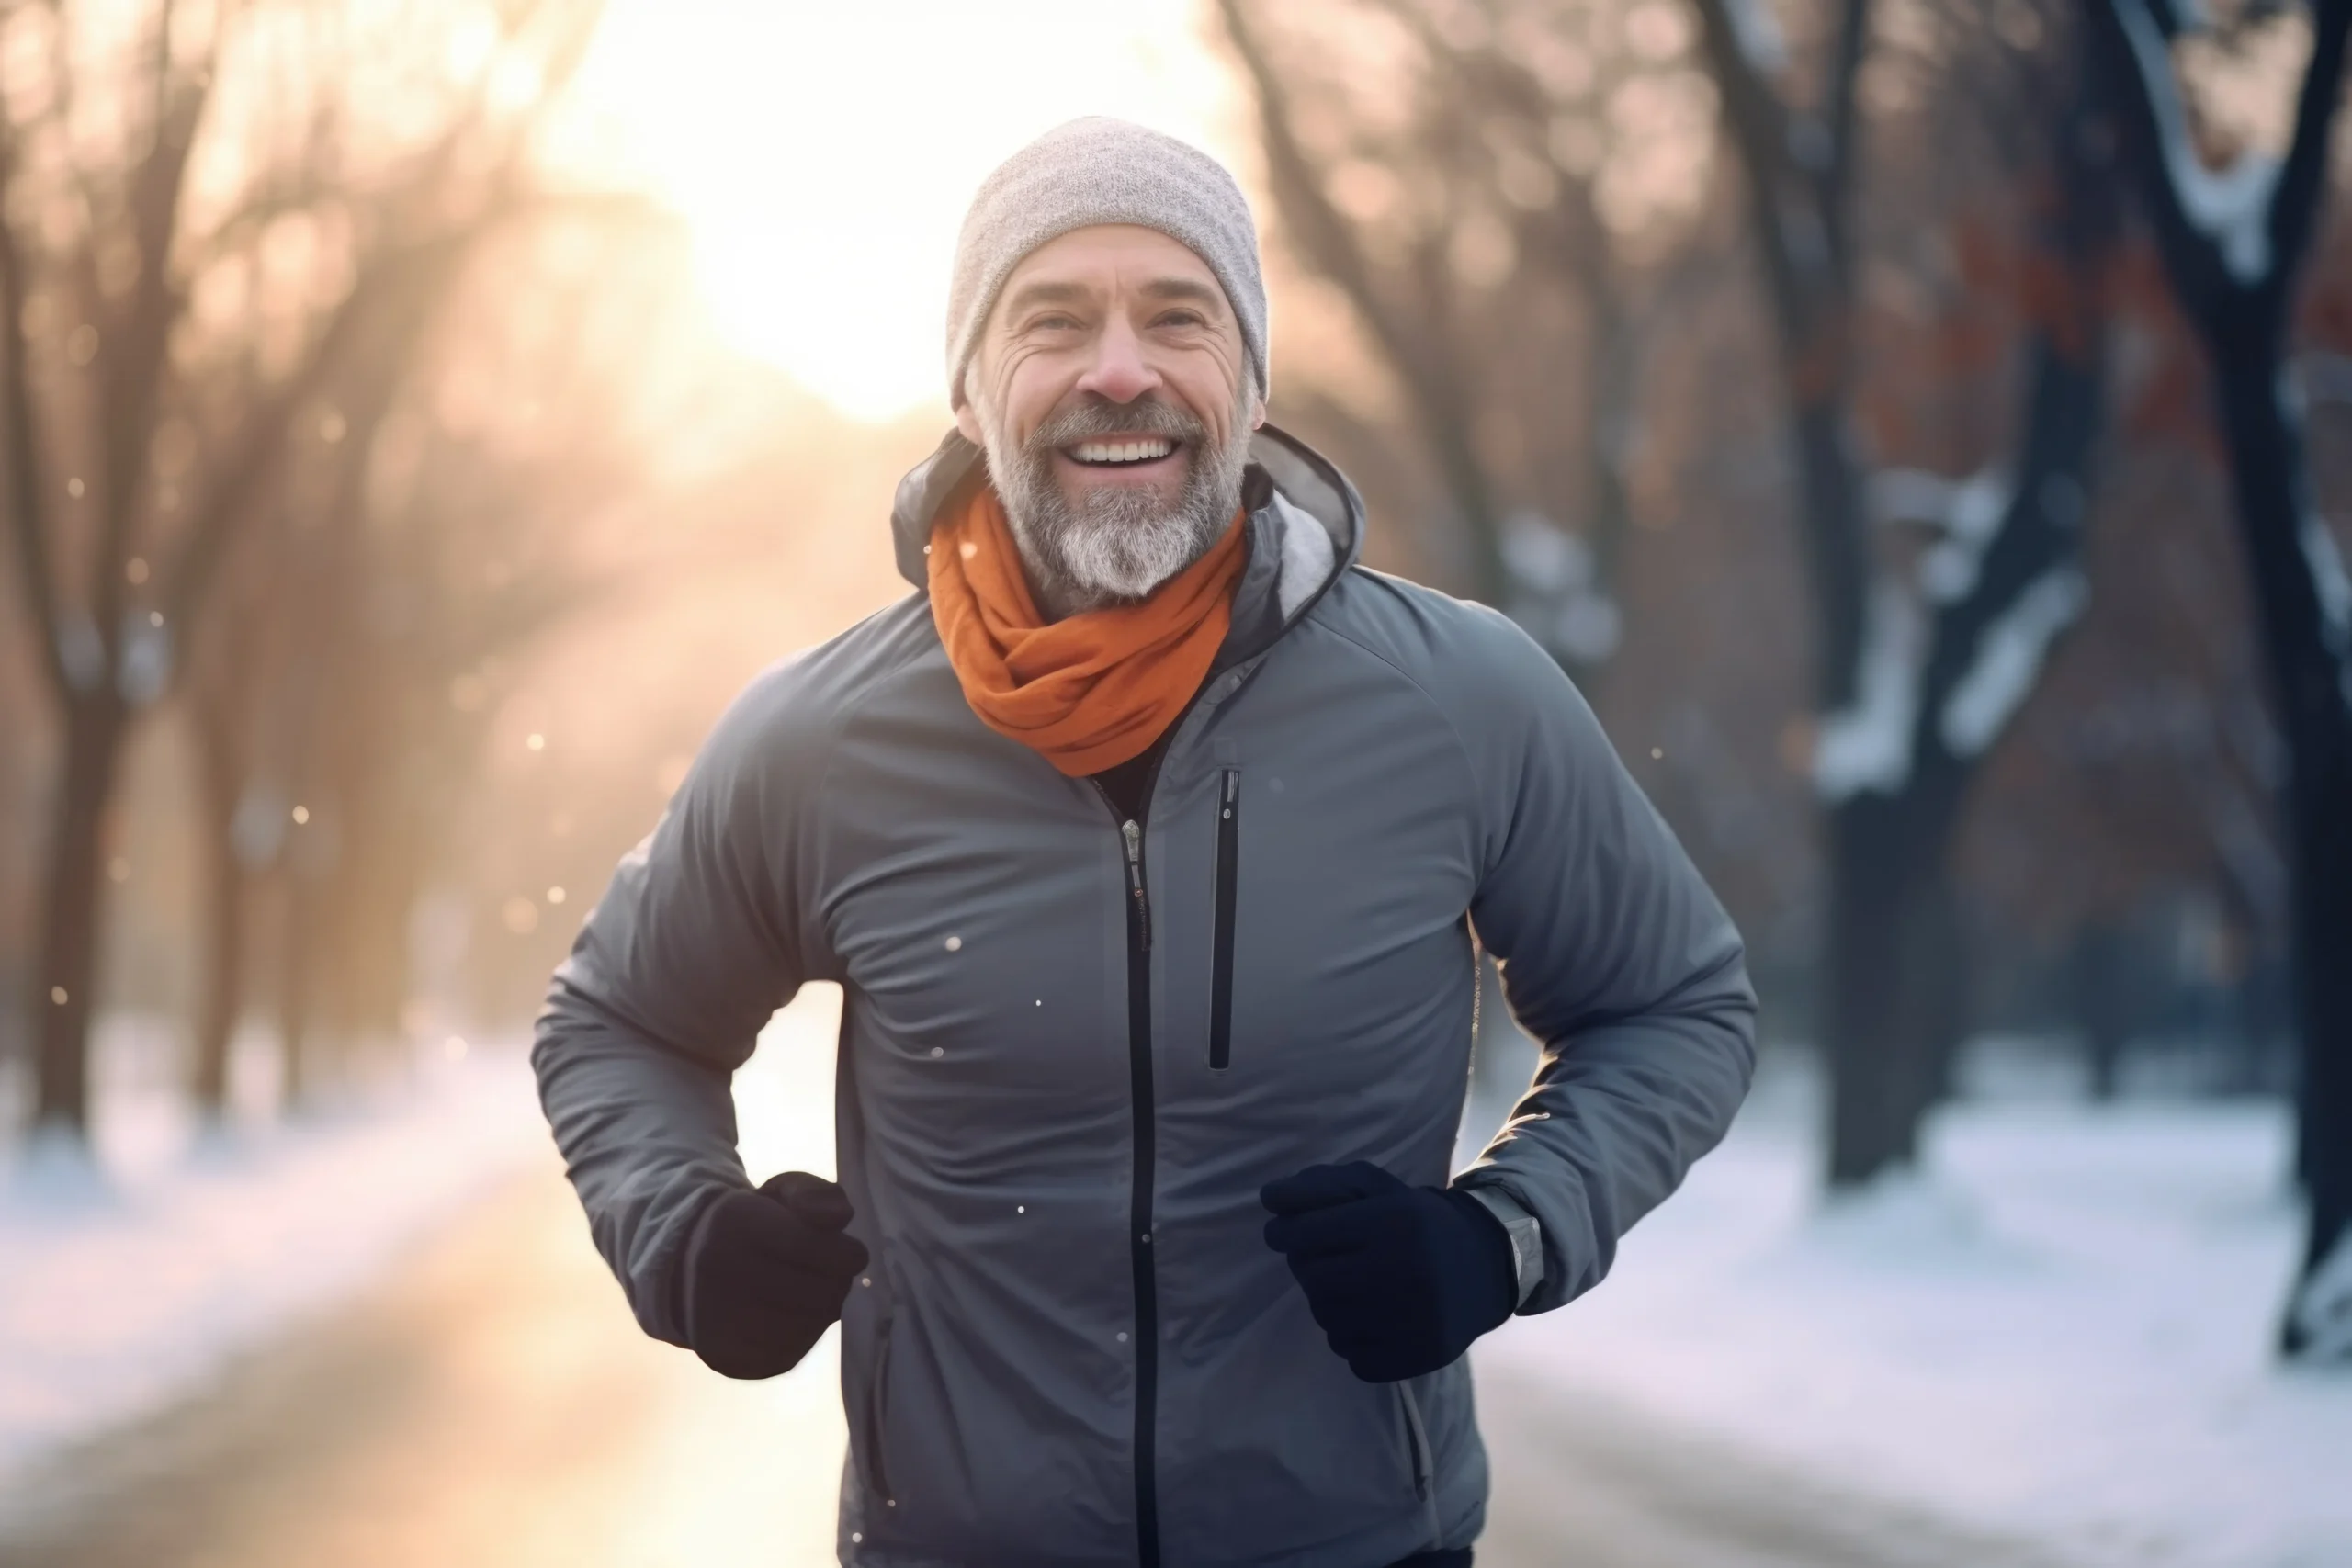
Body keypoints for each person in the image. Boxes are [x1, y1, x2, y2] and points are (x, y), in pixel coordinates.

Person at [534, 117, 1756, 1568]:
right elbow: (618, 1022)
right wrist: (686, 1234)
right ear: (973, 390)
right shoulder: (821, 737)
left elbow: (1675, 1004)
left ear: (1246, 376)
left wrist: (1504, 1234)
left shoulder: (1458, 697)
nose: (1122, 368)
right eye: (1055, 321)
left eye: (1179, 315)